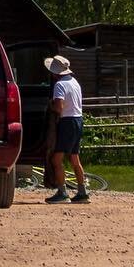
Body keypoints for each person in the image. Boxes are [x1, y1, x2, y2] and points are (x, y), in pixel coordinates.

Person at [44, 56, 88, 205]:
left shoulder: (59, 85)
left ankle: (62, 192)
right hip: (78, 120)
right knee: (74, 158)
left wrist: (51, 105)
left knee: (56, 159)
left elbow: (59, 107)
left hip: (67, 122)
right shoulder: (75, 82)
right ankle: (82, 191)